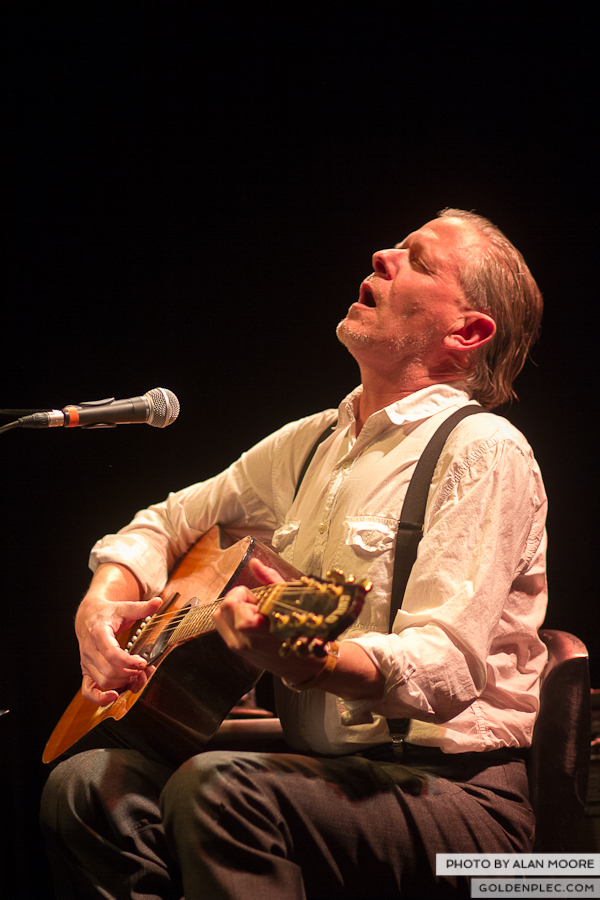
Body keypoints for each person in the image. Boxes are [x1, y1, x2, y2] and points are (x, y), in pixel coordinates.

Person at [41, 208, 547, 900]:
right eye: (396, 246)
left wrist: (319, 660)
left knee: (219, 792)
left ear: (469, 332)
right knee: (86, 787)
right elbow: (166, 521)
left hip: (465, 808)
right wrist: (101, 603)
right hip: (326, 776)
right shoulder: (313, 444)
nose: (381, 255)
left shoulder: (484, 450)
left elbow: (447, 666)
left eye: (418, 259)